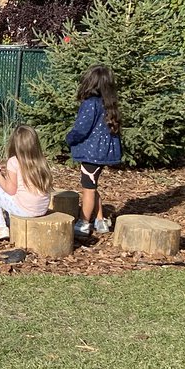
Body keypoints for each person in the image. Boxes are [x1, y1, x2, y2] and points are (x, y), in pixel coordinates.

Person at [66, 64, 122, 238]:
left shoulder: (90, 104)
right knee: (93, 186)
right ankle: (100, 221)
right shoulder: (108, 104)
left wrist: (69, 138)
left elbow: (82, 129)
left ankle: (83, 223)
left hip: (92, 154)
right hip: (102, 152)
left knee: (88, 189)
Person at [0, 124, 52, 242]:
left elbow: (10, 190)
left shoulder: (14, 161)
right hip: (42, 209)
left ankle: (1, 227)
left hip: (25, 210)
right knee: (1, 186)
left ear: (15, 143)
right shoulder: (41, 161)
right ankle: (9, 221)